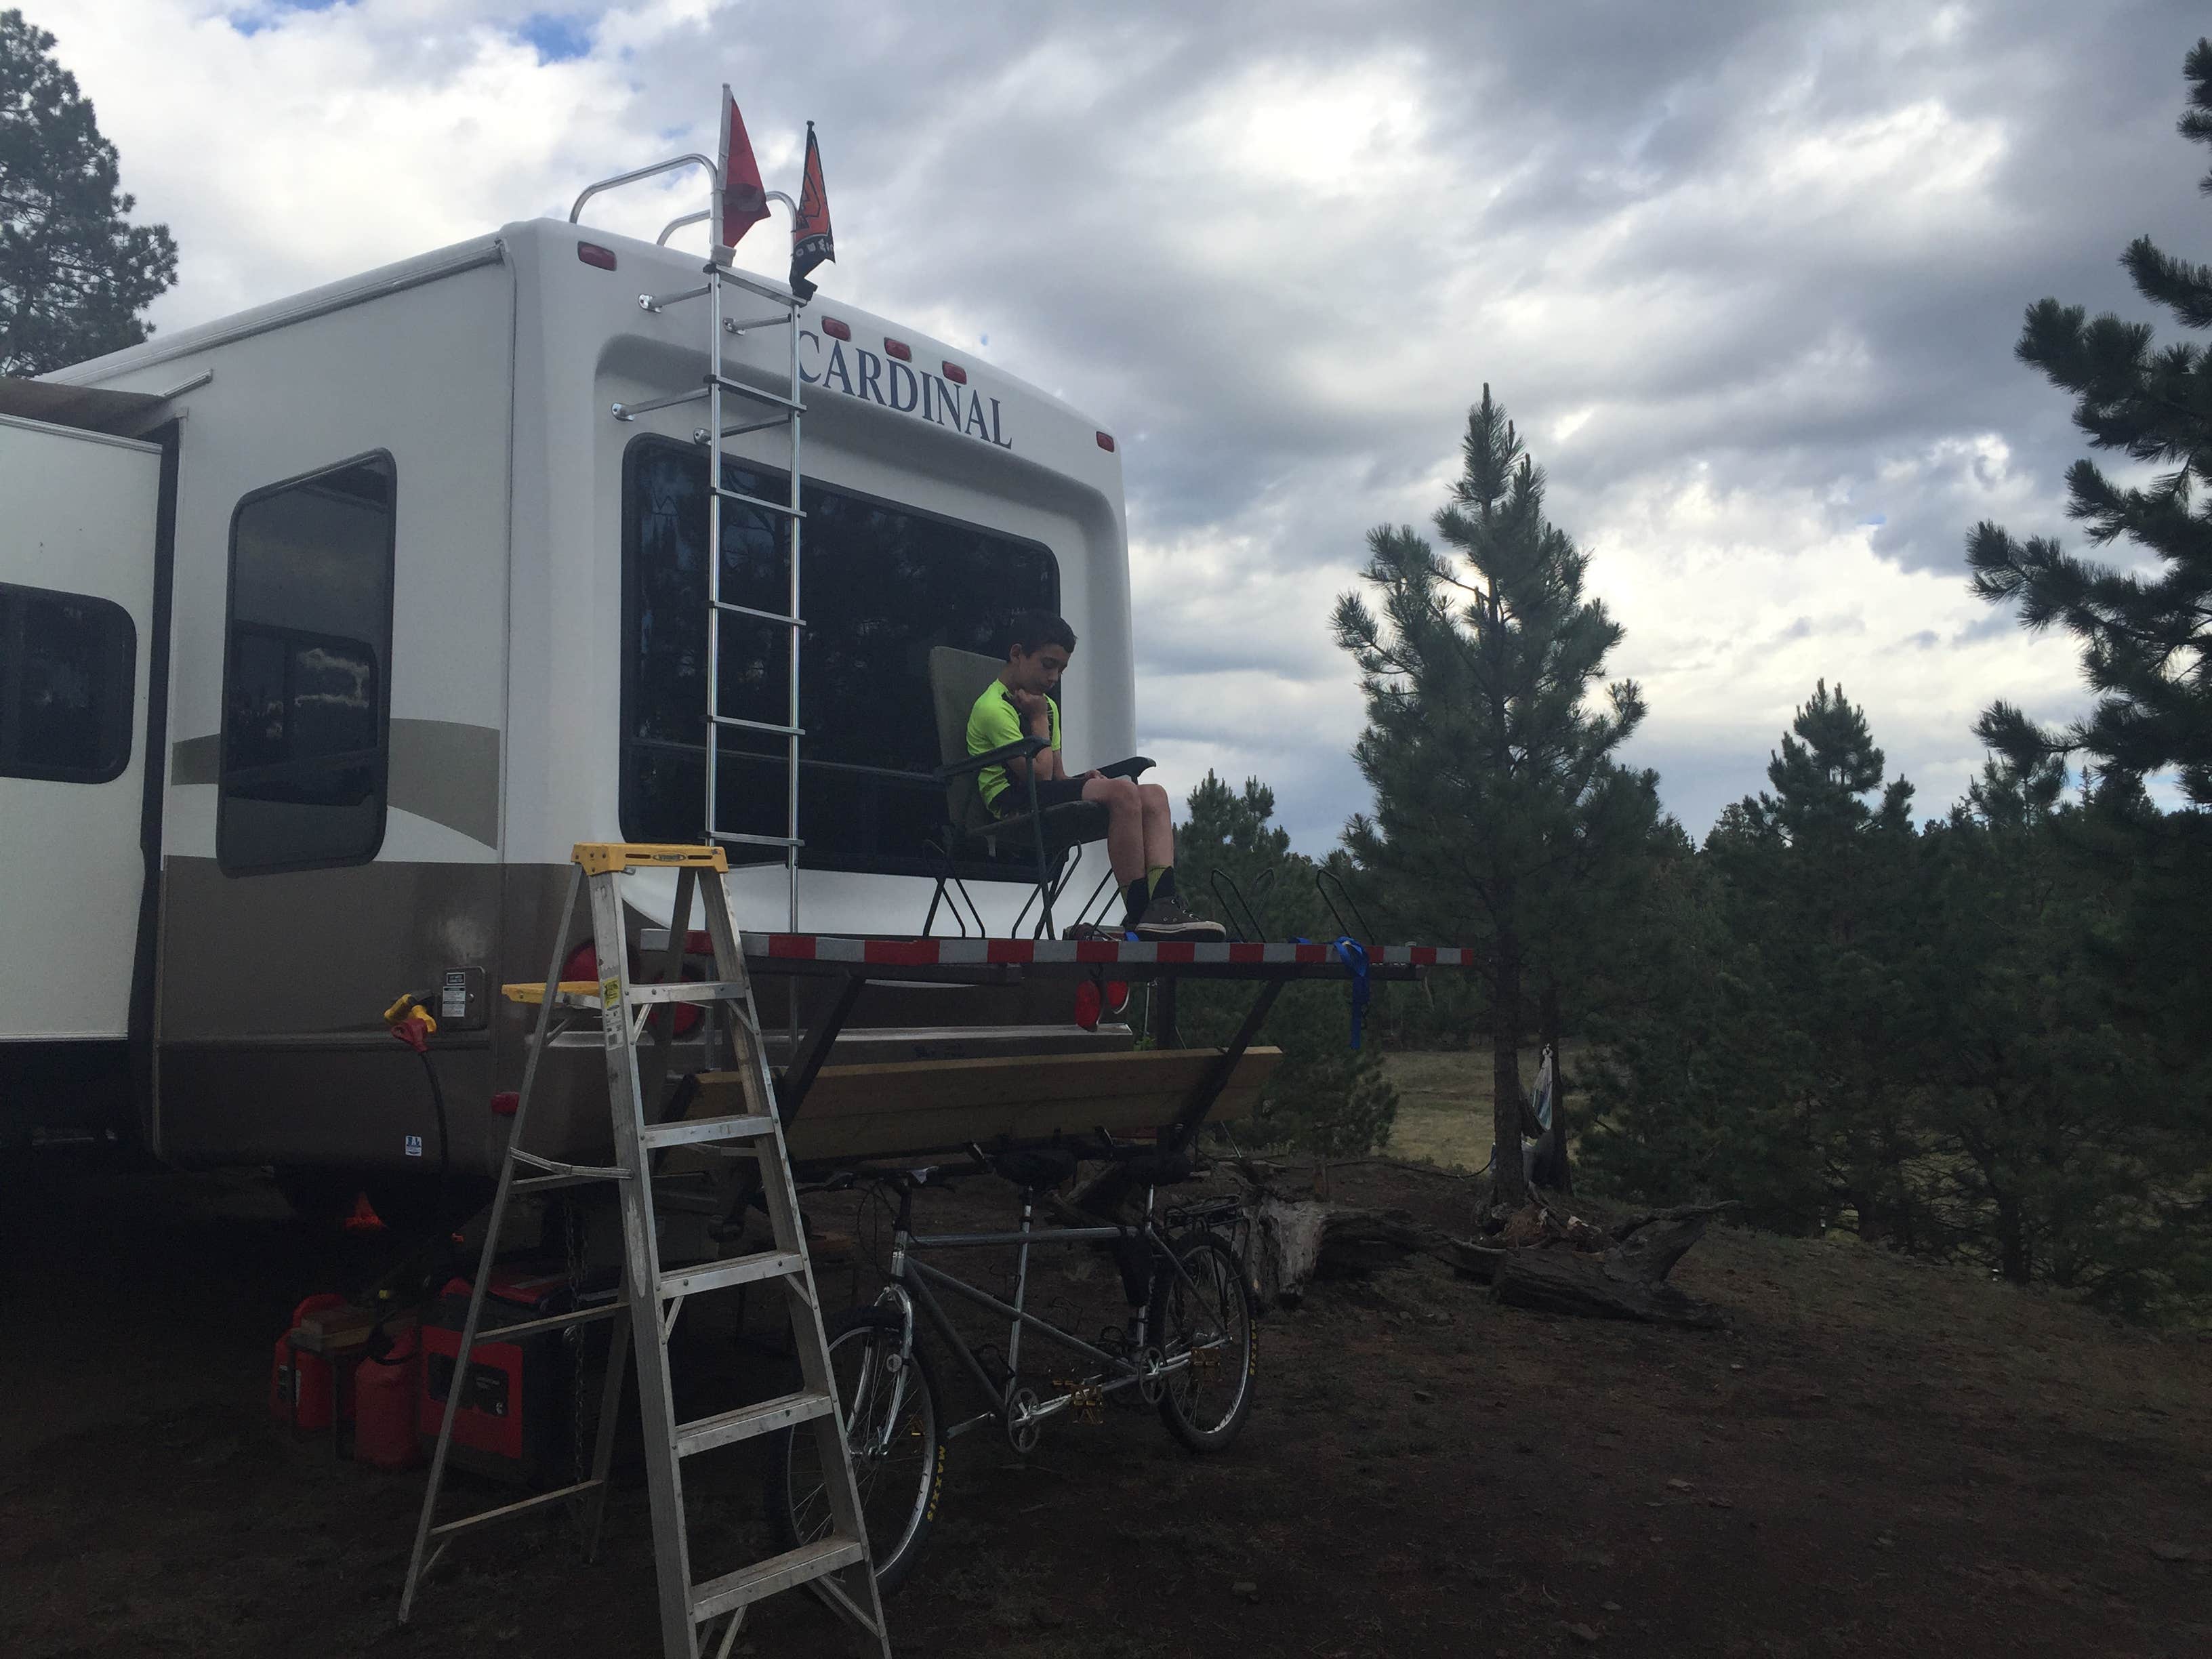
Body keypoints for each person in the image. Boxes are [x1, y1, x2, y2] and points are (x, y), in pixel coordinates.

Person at [968, 611, 1223, 940]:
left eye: (1061, 669)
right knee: (1122, 792)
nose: (1054, 677)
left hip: (1040, 792)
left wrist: (1082, 781)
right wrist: (1038, 720)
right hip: (1011, 803)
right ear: (1017, 654)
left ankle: (1162, 905)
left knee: (1153, 793)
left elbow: (1057, 777)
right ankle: (1139, 910)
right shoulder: (993, 708)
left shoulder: (1045, 706)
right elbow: (1039, 777)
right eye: (1047, 665)